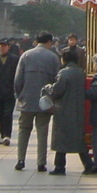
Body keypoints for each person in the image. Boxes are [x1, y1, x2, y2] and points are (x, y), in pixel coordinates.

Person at [13, 31, 59, 171]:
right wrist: (52, 98)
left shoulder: (26, 55)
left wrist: (20, 95)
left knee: (23, 130)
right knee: (42, 131)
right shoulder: (53, 57)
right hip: (44, 101)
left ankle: (20, 160)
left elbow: (17, 79)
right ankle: (41, 162)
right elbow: (56, 80)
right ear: (49, 42)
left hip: (26, 99)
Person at [44, 48, 90, 175]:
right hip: (78, 109)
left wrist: (48, 87)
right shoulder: (81, 72)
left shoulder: (63, 73)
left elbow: (57, 90)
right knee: (78, 139)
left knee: (61, 139)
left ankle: (60, 166)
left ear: (64, 59)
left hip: (63, 109)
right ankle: (88, 164)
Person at [0, 39, 19, 146]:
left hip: (9, 91)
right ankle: (2, 134)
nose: (3, 48)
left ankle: (7, 135)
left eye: (5, 46)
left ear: (8, 47)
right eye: (1, 46)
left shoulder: (15, 59)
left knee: (7, 114)